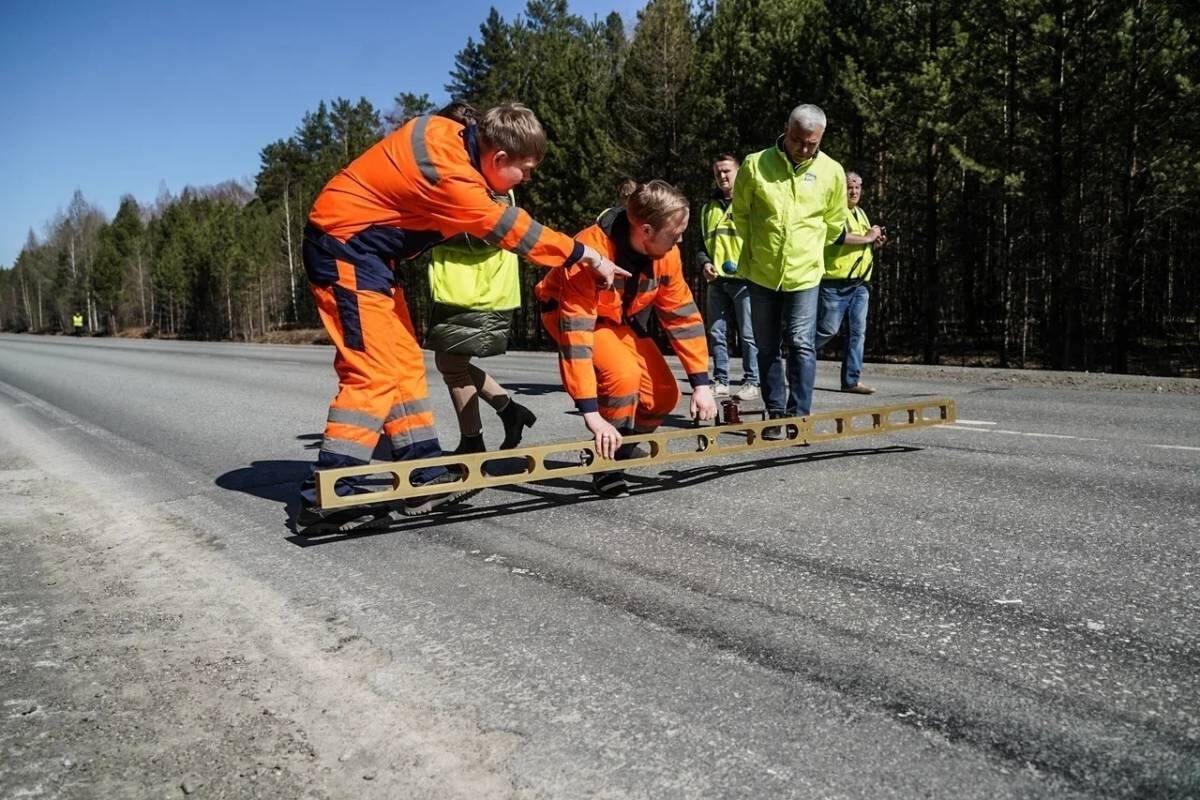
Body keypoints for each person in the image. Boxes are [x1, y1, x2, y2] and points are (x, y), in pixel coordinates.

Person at [296, 103, 628, 533]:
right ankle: (333, 489)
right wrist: (587, 255)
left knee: (402, 362)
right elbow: (517, 232)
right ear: (499, 159)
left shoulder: (450, 135)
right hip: (343, 248)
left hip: (370, 255)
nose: (526, 179)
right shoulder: (456, 182)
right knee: (373, 371)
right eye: (523, 170)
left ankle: (421, 466)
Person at [535, 180, 718, 497]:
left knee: (662, 394)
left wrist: (702, 383)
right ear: (646, 231)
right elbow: (576, 337)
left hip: (620, 317)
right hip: (577, 319)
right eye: (675, 234)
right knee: (622, 376)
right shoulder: (590, 251)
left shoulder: (667, 254)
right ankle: (606, 464)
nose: (681, 240)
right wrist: (592, 416)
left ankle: (624, 443)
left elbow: (682, 317)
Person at [424, 102, 537, 459]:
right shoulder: (476, 174)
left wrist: (432, 231)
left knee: (452, 366)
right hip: (464, 288)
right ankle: (508, 412)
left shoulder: (487, 181)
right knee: (451, 365)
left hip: (481, 290)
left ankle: (473, 444)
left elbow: (486, 233)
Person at [732, 104, 848, 436]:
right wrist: (754, 247)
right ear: (787, 130)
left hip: (805, 274)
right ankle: (776, 413)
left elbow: (835, 222)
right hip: (761, 272)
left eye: (812, 143)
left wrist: (812, 251)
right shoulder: (756, 165)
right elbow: (740, 213)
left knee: (801, 344)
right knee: (766, 346)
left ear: (821, 138)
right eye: (798, 141)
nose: (804, 149)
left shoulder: (832, 172)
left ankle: (798, 418)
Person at [816, 171, 887, 394]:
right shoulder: (834, 212)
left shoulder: (861, 213)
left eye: (857, 187)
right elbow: (837, 238)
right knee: (828, 329)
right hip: (835, 282)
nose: (854, 191)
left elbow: (863, 242)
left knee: (858, 332)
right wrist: (867, 237)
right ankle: (798, 353)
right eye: (849, 187)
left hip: (860, 284)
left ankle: (851, 380)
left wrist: (874, 244)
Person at [697, 154, 759, 402]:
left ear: (738, 173)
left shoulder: (750, 203)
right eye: (718, 172)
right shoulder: (708, 208)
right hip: (717, 281)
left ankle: (751, 381)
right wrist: (704, 264)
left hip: (744, 279)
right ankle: (720, 380)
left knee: (748, 334)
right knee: (717, 333)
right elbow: (702, 244)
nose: (722, 176)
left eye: (727, 171)